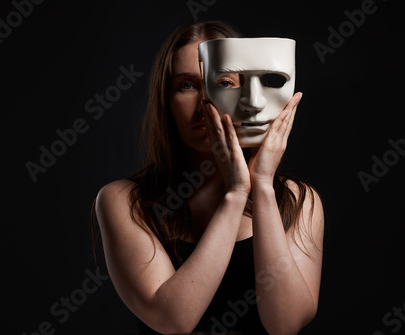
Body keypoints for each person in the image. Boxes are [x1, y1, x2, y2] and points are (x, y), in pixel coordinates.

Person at [94, 20, 324, 335]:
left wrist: (263, 189)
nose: (207, 104)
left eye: (224, 82)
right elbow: (173, 320)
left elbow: (285, 325)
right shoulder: (124, 200)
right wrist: (235, 194)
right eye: (187, 85)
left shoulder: (297, 199)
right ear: (166, 100)